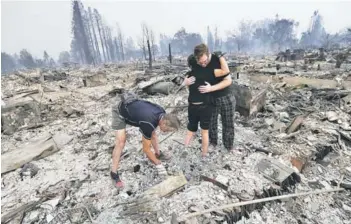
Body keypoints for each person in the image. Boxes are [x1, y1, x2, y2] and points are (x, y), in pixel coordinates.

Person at [110, 92, 181, 188]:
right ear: (164, 123)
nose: (166, 132)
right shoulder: (149, 122)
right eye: (168, 130)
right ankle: (114, 174)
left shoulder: (162, 112)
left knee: (152, 133)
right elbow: (146, 149)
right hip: (120, 113)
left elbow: (152, 134)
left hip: (133, 107)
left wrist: (156, 156)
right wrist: (158, 164)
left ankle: (158, 154)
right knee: (121, 142)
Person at [183, 43, 232, 157]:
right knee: (211, 124)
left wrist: (211, 88)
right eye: (201, 62)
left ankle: (228, 146)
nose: (203, 64)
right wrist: (186, 83)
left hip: (224, 95)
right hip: (209, 99)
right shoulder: (194, 65)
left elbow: (228, 80)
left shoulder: (217, 60)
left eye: (205, 61)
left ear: (209, 53)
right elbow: (188, 82)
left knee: (227, 123)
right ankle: (212, 144)